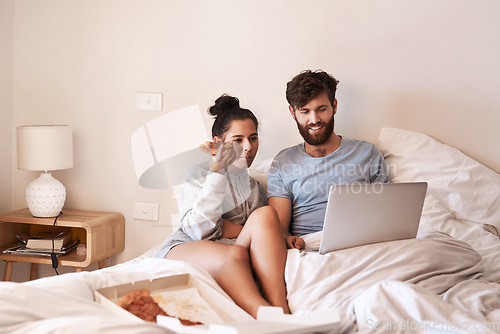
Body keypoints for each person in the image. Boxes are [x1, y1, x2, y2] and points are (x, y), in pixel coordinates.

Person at [157, 94, 290, 318]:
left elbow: (257, 234)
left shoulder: (257, 188)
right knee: (234, 256)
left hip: (231, 249)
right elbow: (199, 231)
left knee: (264, 216)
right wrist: (216, 173)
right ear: (218, 142)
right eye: (238, 140)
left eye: (253, 138)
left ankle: (281, 308)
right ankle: (268, 315)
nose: (248, 147)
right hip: (187, 246)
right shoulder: (199, 174)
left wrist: (280, 236)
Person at [268, 70, 389, 250]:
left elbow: (386, 214)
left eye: (321, 109)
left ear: (334, 106)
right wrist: (288, 239)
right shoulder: (282, 163)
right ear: (293, 113)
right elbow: (280, 231)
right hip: (309, 250)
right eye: (305, 111)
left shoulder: (367, 153)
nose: (314, 120)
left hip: (362, 245)